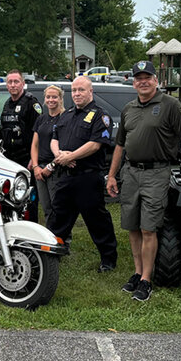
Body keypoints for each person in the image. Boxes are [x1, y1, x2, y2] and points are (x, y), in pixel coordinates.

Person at [106, 61, 181, 302]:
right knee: (132, 226)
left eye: (147, 77)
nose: (143, 81)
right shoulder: (128, 108)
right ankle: (137, 272)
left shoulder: (171, 106)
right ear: (133, 81)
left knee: (149, 227)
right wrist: (111, 174)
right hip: (131, 172)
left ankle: (147, 279)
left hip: (157, 173)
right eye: (138, 77)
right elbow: (120, 144)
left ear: (155, 80)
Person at [49, 76, 118, 272]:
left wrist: (72, 157)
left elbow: (95, 144)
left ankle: (108, 259)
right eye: (74, 90)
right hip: (66, 176)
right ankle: (51, 254)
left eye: (81, 90)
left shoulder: (100, 115)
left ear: (90, 92)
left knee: (97, 221)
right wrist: (59, 156)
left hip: (87, 177)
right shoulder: (67, 114)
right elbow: (54, 138)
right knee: (58, 217)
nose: (77, 94)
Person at [0, 70, 42, 220]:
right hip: (10, 159)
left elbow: (39, 133)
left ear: (23, 83)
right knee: (12, 196)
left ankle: (32, 229)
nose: (13, 85)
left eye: (16, 81)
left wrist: (33, 158)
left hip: (27, 159)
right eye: (10, 82)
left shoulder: (31, 103)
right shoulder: (7, 104)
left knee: (28, 198)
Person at [30, 85, 64, 228]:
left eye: (54, 97)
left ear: (61, 99)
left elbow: (66, 147)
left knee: (59, 207)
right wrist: (36, 166)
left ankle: (63, 240)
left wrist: (51, 166)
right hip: (40, 169)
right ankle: (50, 239)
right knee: (46, 207)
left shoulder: (65, 118)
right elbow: (34, 145)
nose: (51, 100)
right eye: (48, 97)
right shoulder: (41, 119)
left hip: (57, 168)